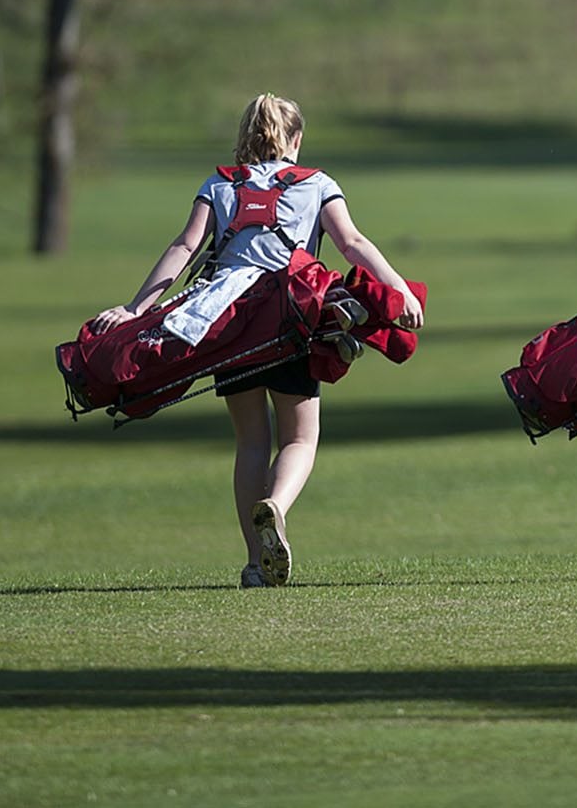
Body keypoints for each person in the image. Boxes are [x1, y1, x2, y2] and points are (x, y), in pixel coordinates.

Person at [88, 93, 421, 588]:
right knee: (301, 437)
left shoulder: (218, 185)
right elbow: (351, 242)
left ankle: (254, 565)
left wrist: (136, 309)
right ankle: (277, 507)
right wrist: (395, 285)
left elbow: (185, 247)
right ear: (296, 139)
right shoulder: (318, 185)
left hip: (229, 324)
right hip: (291, 320)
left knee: (250, 443)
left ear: (246, 135)